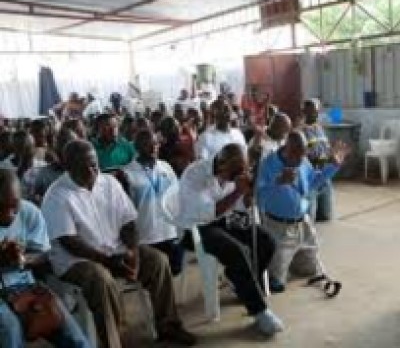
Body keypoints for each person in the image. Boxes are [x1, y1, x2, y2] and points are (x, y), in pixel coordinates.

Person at [41, 140, 197, 348]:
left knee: (158, 261)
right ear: (68, 167)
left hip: (116, 249)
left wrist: (132, 252)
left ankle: (168, 326)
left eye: (94, 164)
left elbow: (128, 221)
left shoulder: (109, 183)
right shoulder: (57, 195)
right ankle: (113, 344)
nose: (92, 170)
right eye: (84, 166)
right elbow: (69, 241)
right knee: (101, 280)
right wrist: (107, 261)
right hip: (76, 261)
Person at [178, 143, 283, 336]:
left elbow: (239, 207)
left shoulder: (232, 173)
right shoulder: (195, 175)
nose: (236, 179)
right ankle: (259, 311)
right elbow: (208, 213)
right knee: (237, 251)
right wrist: (238, 191)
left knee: (266, 241)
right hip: (196, 227)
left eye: (241, 173)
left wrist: (247, 197)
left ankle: (241, 282)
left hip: (222, 219)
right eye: (234, 174)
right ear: (222, 164)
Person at [0, 168, 91, 348]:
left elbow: (43, 254)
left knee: (71, 333)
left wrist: (22, 259)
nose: (10, 214)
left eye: (14, 206)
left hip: (24, 286)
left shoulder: (29, 212)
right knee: (10, 329)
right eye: (2, 208)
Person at [257, 131, 349, 292]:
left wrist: (333, 166)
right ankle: (274, 262)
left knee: (309, 271)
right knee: (276, 283)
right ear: (287, 148)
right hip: (279, 227)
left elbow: (313, 182)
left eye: (303, 154)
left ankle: (289, 258)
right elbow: (259, 197)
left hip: (302, 224)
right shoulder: (268, 164)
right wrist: (278, 182)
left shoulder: (303, 161)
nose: (300, 159)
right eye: (297, 155)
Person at [123, 130, 183, 275]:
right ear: (136, 147)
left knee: (175, 270)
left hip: (170, 231)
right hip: (146, 236)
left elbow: (178, 196)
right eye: (146, 144)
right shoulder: (128, 173)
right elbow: (127, 211)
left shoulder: (166, 167)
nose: (152, 148)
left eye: (155, 143)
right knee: (155, 274)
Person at [301, 99, 334, 222]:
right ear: (304, 111)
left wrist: (331, 156)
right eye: (311, 111)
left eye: (316, 111)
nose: (315, 114)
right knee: (310, 218)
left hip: (324, 173)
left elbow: (325, 147)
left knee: (325, 216)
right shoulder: (301, 130)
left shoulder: (319, 128)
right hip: (311, 176)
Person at [32, 128, 78, 205]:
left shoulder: (85, 172)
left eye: (70, 143)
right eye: (62, 143)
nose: (65, 147)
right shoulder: (45, 173)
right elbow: (36, 197)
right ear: (55, 148)